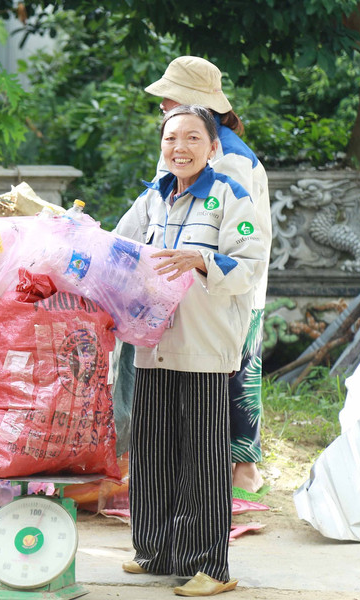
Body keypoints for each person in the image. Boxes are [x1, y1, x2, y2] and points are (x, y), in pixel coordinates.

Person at [114, 105, 268, 596]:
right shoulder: (152, 199)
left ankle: (210, 567)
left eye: (192, 138)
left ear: (212, 145)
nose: (179, 147)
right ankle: (156, 550)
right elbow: (118, 246)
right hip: (154, 341)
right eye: (170, 138)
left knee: (202, 456)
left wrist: (200, 259)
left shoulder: (230, 195)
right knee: (153, 449)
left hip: (205, 343)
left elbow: (249, 264)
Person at [145, 56, 272, 496]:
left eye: (170, 98)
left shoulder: (229, 160)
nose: (162, 105)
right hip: (192, 286)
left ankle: (238, 471)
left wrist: (199, 261)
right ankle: (226, 472)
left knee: (232, 374)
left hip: (222, 284)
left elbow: (237, 240)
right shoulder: (198, 145)